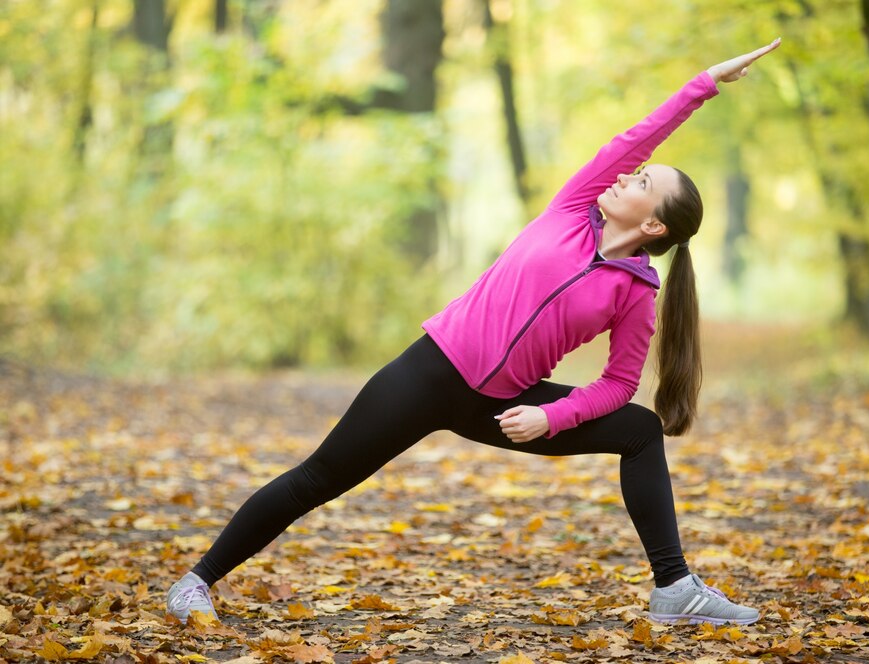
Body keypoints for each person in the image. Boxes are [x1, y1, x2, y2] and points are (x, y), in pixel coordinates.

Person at [166, 38, 782, 627]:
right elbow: (634, 137)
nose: (631, 175)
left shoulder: (636, 293)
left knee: (642, 431)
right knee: (318, 478)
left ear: (652, 225)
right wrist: (703, 85)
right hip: (429, 373)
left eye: (644, 182)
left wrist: (554, 416)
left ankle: (674, 589)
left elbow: (619, 384)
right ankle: (196, 580)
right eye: (638, 172)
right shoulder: (575, 206)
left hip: (505, 406)